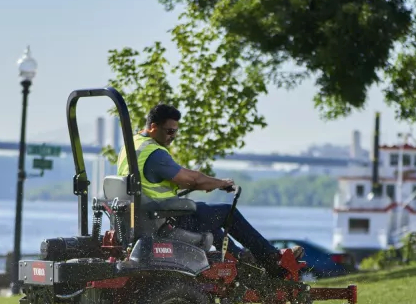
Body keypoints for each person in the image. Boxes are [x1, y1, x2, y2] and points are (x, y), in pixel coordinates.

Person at [116, 103, 303, 278]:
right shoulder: (154, 153)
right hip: (164, 218)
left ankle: (242, 260)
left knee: (210, 219)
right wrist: (220, 183)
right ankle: (271, 257)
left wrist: (205, 184)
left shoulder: (133, 146)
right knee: (226, 212)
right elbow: (192, 179)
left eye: (176, 132)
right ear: (154, 127)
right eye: (170, 131)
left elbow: (158, 179)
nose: (173, 136)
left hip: (148, 215)